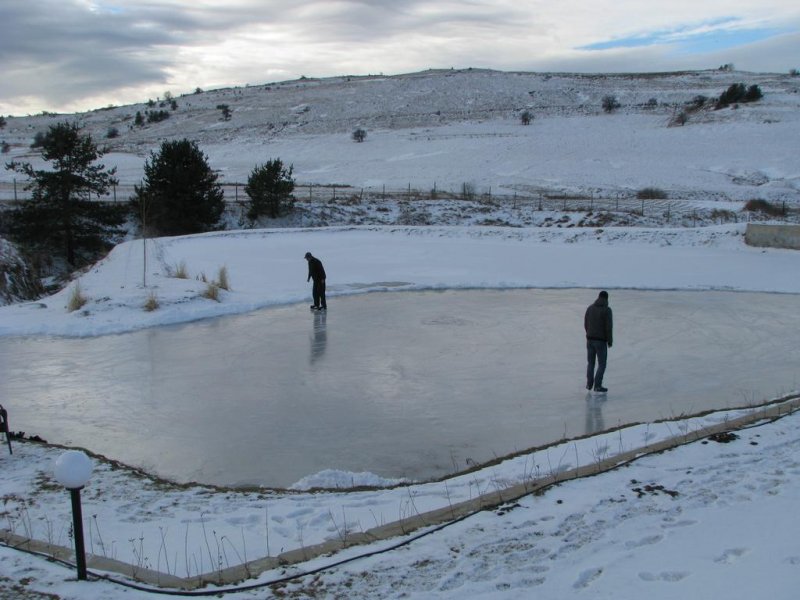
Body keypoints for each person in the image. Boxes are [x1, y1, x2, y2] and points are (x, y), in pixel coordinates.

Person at [584, 290, 613, 393]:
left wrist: (589, 334)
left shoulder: (590, 308)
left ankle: (589, 384)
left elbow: (586, 323)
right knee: (602, 364)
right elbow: (608, 327)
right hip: (600, 341)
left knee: (590, 363)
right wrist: (609, 341)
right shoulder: (607, 310)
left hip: (590, 340)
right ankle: (597, 385)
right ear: (606, 299)